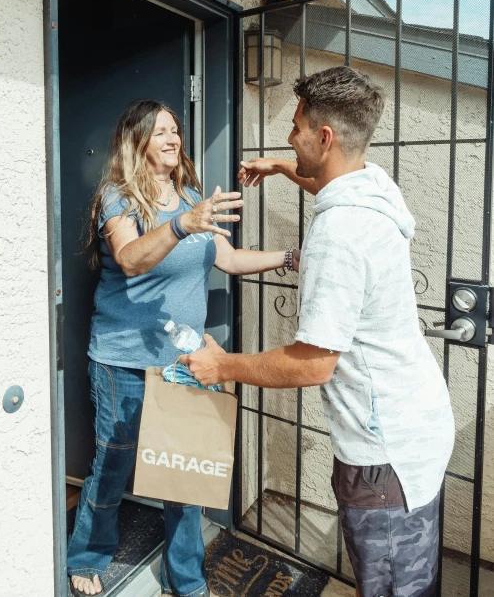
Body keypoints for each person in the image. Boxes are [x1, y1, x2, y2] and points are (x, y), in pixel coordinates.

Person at [181, 67, 455, 597]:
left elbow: (312, 362)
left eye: (297, 125)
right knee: (404, 576)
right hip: (415, 427)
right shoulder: (373, 187)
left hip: (386, 454)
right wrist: (283, 167)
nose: (289, 134)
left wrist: (223, 366)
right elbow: (321, 178)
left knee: (394, 585)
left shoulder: (339, 231)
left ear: (324, 137)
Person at [68, 99, 297, 597]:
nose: (173, 139)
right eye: (160, 132)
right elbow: (130, 259)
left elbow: (230, 259)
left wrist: (290, 257)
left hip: (184, 359)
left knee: (183, 472)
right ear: (137, 142)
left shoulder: (191, 196)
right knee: (114, 464)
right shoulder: (118, 198)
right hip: (123, 359)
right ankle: (87, 556)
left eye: (175, 130)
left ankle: (187, 580)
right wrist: (179, 225)